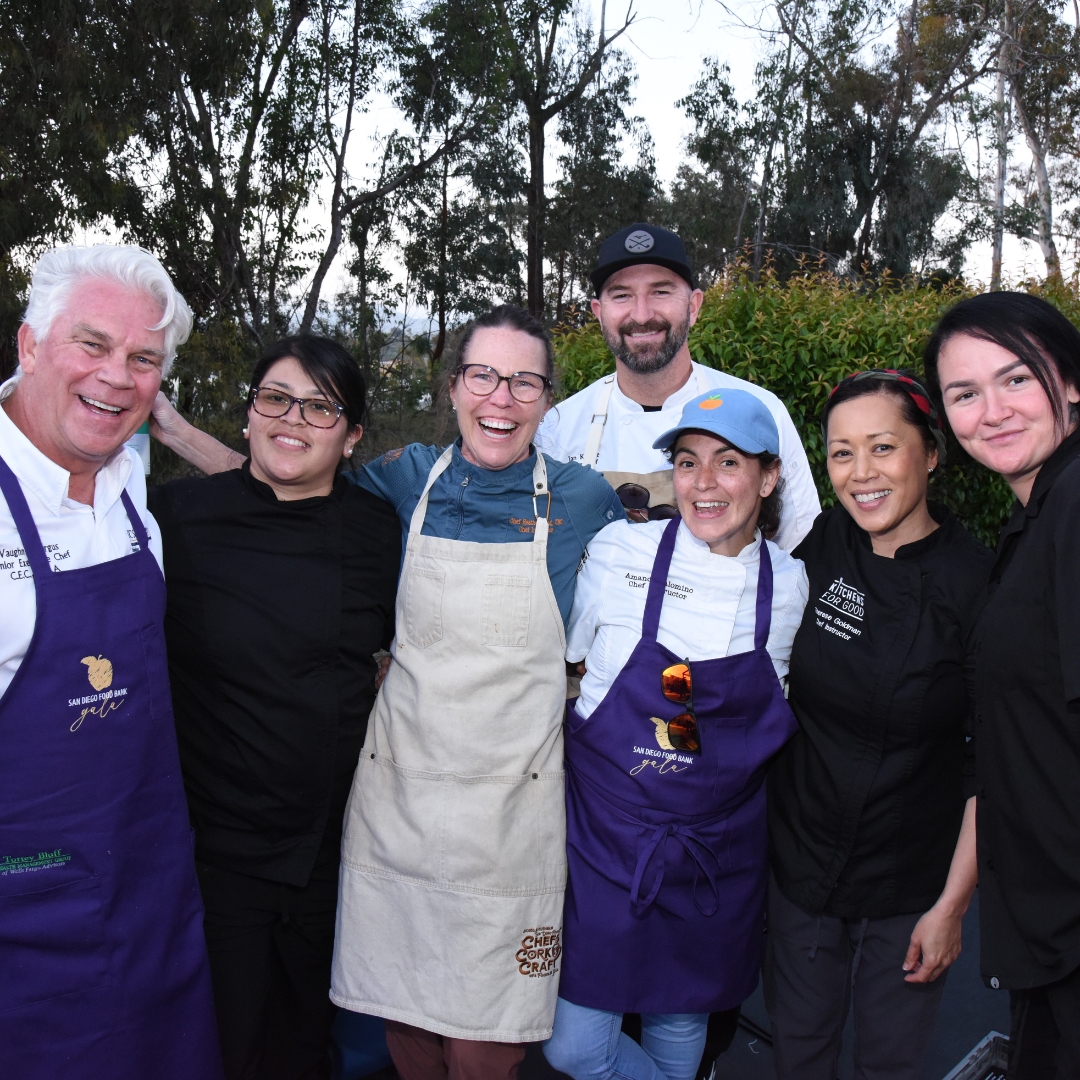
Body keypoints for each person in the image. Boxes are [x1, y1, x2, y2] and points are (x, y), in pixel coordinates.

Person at [150, 304, 625, 1080]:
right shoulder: (404, 484)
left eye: (524, 382)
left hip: (513, 815)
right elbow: (287, 475)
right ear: (454, 387)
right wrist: (170, 429)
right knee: (407, 1035)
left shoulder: (585, 503)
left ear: (547, 400)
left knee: (485, 1046)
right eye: (483, 376)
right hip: (398, 809)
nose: (501, 398)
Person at [147, 336, 401, 1080]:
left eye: (320, 407)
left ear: (351, 435)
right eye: (276, 399)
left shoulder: (378, 530)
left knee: (304, 1047)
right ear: (251, 413)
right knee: (219, 1048)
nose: (293, 419)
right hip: (214, 858)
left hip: (335, 856)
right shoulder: (178, 519)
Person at [0, 245, 222, 1078]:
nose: (116, 376)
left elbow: (288, 498)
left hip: (153, 900)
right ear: (29, 345)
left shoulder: (129, 476)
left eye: (143, 360)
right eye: (91, 345)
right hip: (27, 939)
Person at [543, 389, 807, 1080]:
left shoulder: (790, 586)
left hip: (715, 853)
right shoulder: (617, 550)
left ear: (769, 476)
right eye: (688, 464)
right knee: (572, 1047)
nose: (704, 484)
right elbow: (571, 658)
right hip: (607, 839)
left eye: (727, 463)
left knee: (681, 1025)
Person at [765, 369, 993, 1079]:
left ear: (930, 454)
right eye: (841, 452)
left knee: (888, 1067)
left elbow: (995, 764)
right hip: (800, 871)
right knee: (798, 1058)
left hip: (909, 886)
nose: (860, 474)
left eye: (883, 448)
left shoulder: (977, 586)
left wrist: (952, 909)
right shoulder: (823, 544)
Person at [924, 293, 1080, 1077]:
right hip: (1044, 938)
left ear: (1071, 379)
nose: (994, 411)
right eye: (965, 393)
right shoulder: (1032, 524)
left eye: (1017, 379)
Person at [534, 222, 820, 551]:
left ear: (694, 306)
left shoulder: (761, 412)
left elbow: (801, 548)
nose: (641, 315)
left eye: (661, 291)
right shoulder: (558, 428)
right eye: (622, 295)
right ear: (599, 313)